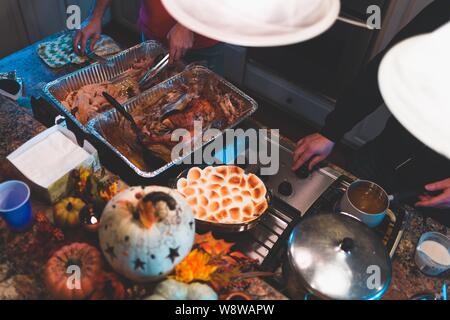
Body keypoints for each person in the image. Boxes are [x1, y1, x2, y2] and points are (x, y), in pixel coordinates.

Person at [292, 0, 450, 223]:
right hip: (383, 155)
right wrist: (332, 131)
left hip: (437, 195)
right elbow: (389, 65)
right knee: (330, 219)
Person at [73, 0, 224, 74]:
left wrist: (186, 24)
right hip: (153, 32)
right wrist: (96, 16)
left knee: (203, 110)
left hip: (202, 39)